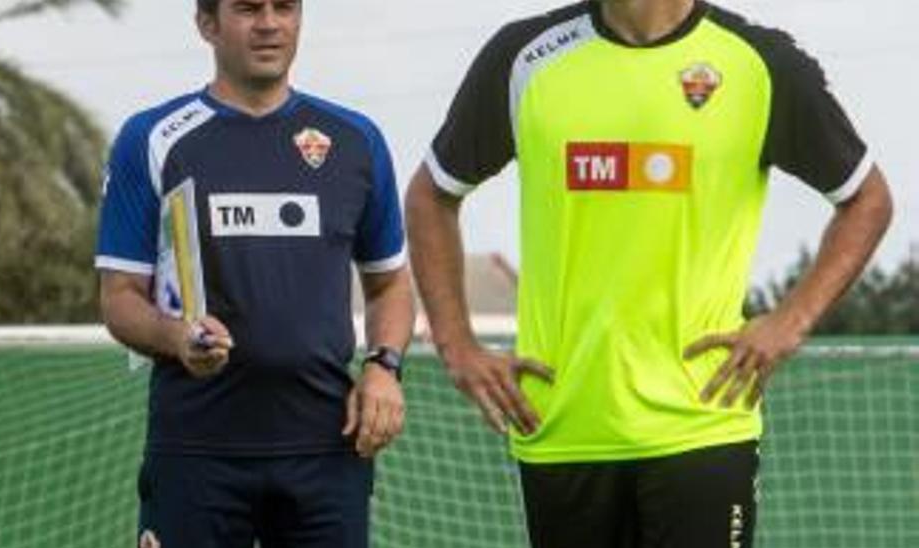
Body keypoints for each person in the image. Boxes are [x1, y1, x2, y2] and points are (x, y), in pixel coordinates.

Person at [405, 1, 893, 547]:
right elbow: (431, 195)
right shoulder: (523, 58)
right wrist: (457, 346)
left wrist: (791, 320)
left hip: (702, 421)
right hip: (562, 426)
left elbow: (866, 200)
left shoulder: (761, 62)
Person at [95, 1, 415, 546]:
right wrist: (178, 337)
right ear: (206, 24)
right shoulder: (151, 139)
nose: (269, 23)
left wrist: (384, 366)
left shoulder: (355, 141)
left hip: (326, 448)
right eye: (247, 8)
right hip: (196, 452)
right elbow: (119, 298)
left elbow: (390, 285)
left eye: (284, 7)